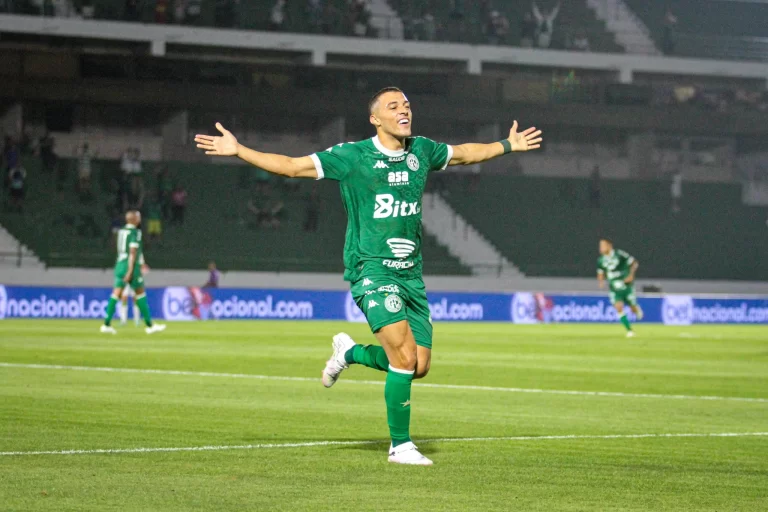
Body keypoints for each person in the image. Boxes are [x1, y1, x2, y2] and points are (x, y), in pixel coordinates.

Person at [195, 87, 543, 465]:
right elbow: (292, 166)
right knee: (404, 357)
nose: (404, 110)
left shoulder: (421, 150)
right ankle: (400, 445)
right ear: (376, 119)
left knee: (419, 366)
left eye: (407, 104)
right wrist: (240, 150)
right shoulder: (352, 156)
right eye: (393, 106)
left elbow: (464, 153)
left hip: (411, 275)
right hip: (371, 269)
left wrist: (507, 145)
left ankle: (350, 352)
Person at [101, 210, 166, 335]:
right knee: (140, 293)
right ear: (134, 219)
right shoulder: (135, 233)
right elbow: (132, 252)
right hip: (129, 265)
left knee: (116, 294)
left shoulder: (120, 232)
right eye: (139, 217)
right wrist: (131, 270)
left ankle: (106, 324)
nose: (140, 219)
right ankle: (150, 325)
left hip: (119, 264)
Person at [596, 238, 643, 338]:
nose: (601, 248)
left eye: (603, 245)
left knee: (632, 307)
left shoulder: (619, 254)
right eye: (600, 246)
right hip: (614, 288)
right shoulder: (601, 260)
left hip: (626, 286)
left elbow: (634, 263)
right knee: (618, 307)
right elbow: (600, 272)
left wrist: (631, 275)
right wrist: (601, 281)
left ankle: (636, 309)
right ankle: (629, 330)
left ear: (609, 245)